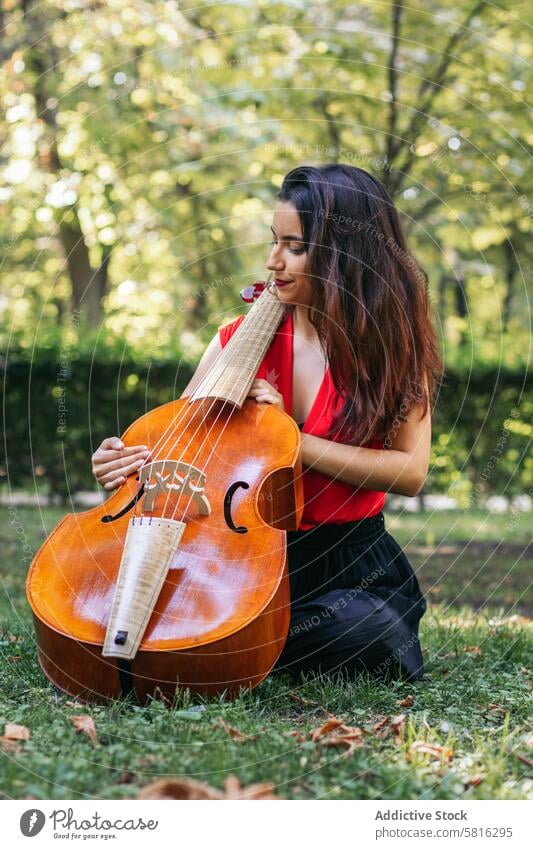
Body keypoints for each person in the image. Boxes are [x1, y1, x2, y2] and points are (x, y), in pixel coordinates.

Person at [92, 164, 442, 683]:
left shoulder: (392, 349)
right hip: (235, 553)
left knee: (372, 628)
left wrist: (291, 441)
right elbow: (179, 452)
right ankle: (223, 642)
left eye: (295, 247)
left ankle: (219, 646)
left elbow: (410, 473)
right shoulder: (236, 340)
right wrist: (123, 467)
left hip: (346, 563)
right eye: (274, 241)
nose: (272, 261)